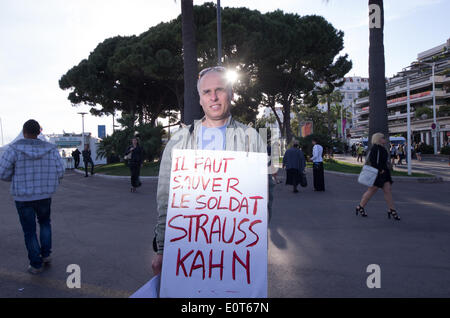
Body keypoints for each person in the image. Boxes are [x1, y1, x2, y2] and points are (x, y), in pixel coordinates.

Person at [151, 66, 268, 276]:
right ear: (200, 99)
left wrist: (256, 248)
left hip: (237, 253)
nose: (213, 97)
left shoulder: (252, 139)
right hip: (187, 252)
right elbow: (165, 199)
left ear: (231, 94)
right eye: (207, 92)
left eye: (220, 90)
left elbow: (265, 202)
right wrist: (161, 248)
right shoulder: (178, 141)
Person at [0, 119, 65, 274]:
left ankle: (36, 264)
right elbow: (60, 171)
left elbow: (2, 172)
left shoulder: (13, 149)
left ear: (24, 132)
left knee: (29, 231)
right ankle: (46, 255)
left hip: (23, 197)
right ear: (38, 133)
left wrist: (14, 177)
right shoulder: (51, 149)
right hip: (44, 195)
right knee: (44, 223)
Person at [355, 133, 400, 221]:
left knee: (387, 190)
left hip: (384, 173)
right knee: (371, 190)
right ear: (378, 139)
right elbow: (373, 161)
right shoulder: (375, 148)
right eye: (383, 138)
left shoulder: (383, 148)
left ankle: (392, 210)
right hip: (379, 173)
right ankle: (360, 206)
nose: (385, 139)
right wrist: (380, 170)